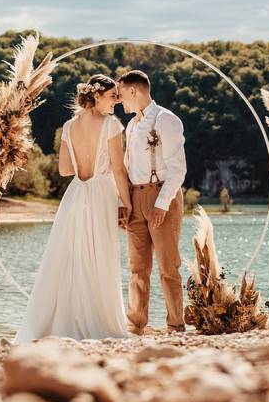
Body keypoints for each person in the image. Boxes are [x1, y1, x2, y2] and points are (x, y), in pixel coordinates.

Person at [14, 74, 132, 343]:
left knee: (73, 257)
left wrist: (84, 163)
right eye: (113, 95)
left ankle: (69, 318)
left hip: (77, 194)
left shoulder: (68, 126)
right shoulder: (111, 125)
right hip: (102, 193)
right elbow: (118, 169)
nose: (116, 101)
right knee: (102, 256)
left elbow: (65, 169)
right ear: (98, 95)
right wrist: (127, 203)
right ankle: (100, 321)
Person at [116, 70, 187, 335]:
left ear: (134, 91)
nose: (120, 101)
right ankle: (135, 325)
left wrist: (162, 203)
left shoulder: (166, 120)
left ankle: (175, 326)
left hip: (161, 197)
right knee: (137, 267)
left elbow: (178, 169)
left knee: (169, 266)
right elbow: (126, 166)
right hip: (134, 198)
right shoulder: (132, 125)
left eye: (122, 95)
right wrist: (122, 202)